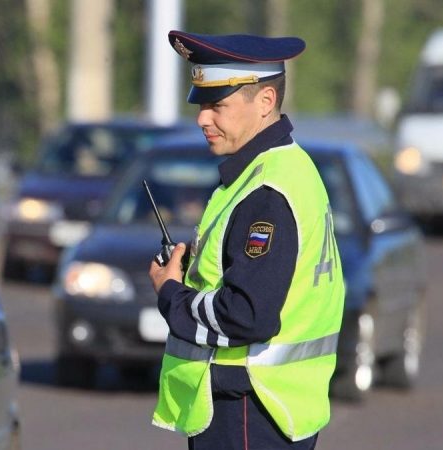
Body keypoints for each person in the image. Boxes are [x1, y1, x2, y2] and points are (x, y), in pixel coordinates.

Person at [148, 31, 345, 449]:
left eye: (217, 105)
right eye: (201, 105)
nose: (202, 119)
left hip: (249, 409)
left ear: (266, 101)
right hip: (272, 407)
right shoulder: (289, 167)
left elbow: (247, 315)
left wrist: (171, 294)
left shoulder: (266, 192)